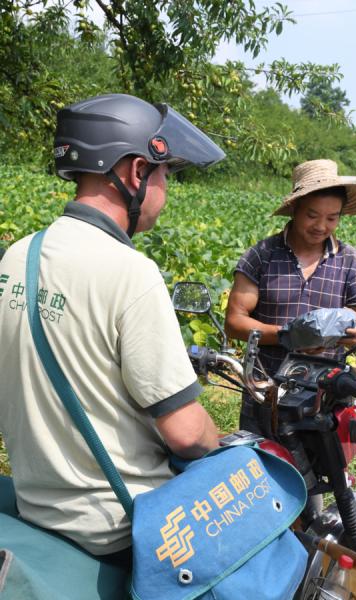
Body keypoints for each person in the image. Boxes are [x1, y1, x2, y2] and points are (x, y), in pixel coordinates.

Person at [0, 94, 225, 557]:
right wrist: (224, 444)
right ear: (137, 172)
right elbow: (185, 433)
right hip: (119, 528)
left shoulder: (18, 255)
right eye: (165, 175)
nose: (165, 191)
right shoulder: (131, 273)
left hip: (36, 509)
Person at [225, 159, 356, 436]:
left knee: (324, 463)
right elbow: (234, 322)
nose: (321, 226)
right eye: (312, 215)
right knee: (261, 460)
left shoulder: (350, 260)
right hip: (266, 390)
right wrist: (287, 335)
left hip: (325, 396)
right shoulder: (262, 255)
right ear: (294, 208)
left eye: (332, 218)